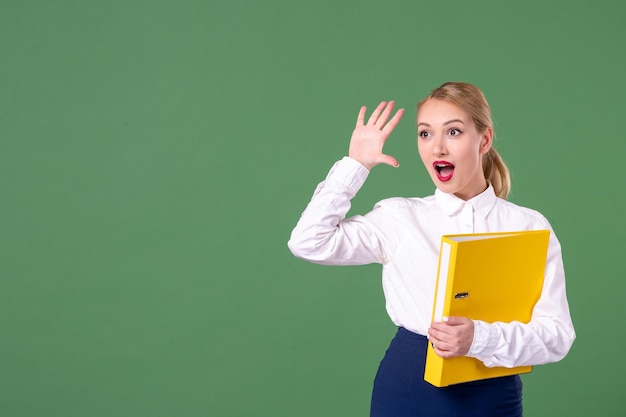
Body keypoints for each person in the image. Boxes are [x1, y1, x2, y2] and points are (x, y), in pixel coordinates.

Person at [287, 81, 575, 417]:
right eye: (425, 134)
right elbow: (308, 241)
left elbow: (557, 336)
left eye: (453, 132)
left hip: (493, 395)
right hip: (410, 388)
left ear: (484, 140)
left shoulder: (528, 226)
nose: (437, 148)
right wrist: (356, 165)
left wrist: (478, 339)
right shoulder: (400, 217)